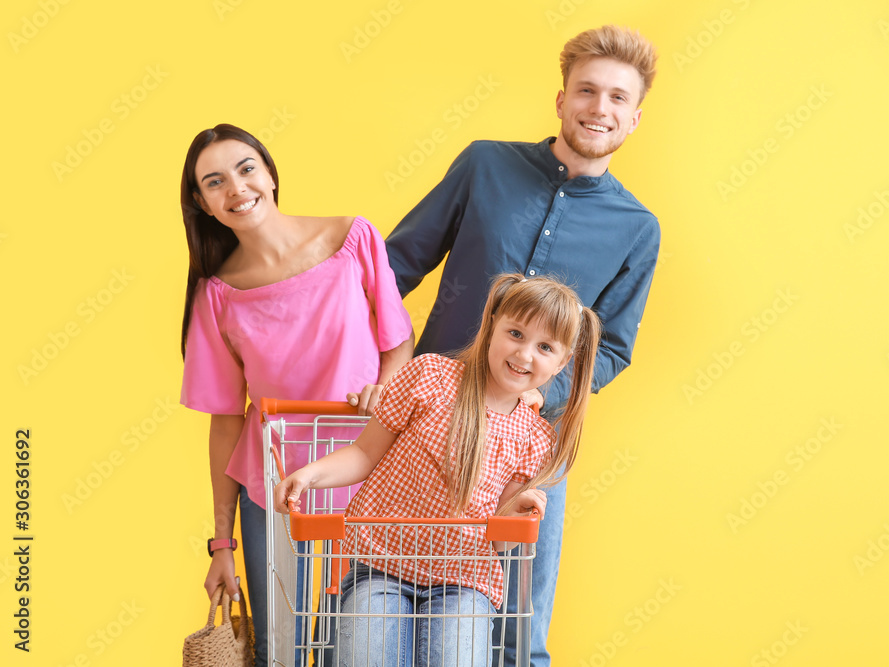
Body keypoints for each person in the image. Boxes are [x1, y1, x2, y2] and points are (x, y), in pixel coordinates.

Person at [383, 25, 660, 665]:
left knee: (518, 631)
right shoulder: (485, 164)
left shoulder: (637, 228)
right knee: (382, 597)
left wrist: (530, 395)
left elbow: (610, 348)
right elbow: (395, 268)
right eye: (587, 90)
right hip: (426, 424)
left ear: (635, 118)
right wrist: (368, 360)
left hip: (533, 449)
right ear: (561, 99)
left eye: (618, 98)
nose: (600, 107)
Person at [274, 273, 601, 666]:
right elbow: (364, 453)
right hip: (380, 566)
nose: (524, 354)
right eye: (515, 333)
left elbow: (498, 539)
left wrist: (514, 516)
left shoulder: (534, 437)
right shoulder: (429, 376)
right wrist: (311, 474)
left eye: (544, 346)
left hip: (465, 580)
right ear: (492, 323)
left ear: (563, 361)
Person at [178, 123, 414, 666]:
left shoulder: (353, 238)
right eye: (215, 182)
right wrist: (222, 544)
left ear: (270, 172)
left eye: (245, 169)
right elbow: (225, 421)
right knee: (280, 648)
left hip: (368, 478)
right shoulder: (218, 295)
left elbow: (397, 344)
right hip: (272, 489)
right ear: (202, 203)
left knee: (351, 648)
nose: (236, 189)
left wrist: (385, 387)